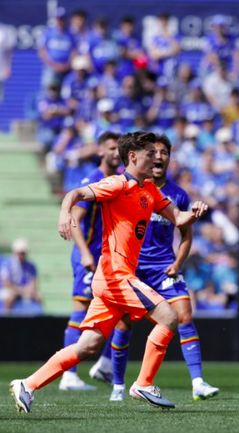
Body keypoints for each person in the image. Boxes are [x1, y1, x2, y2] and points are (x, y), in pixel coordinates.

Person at [10, 131, 209, 413]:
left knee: (88, 346)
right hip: (116, 276)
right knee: (168, 317)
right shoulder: (118, 184)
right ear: (133, 157)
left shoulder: (150, 190)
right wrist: (64, 213)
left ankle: (27, 384)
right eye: (150, 153)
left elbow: (179, 218)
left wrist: (195, 211)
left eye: (158, 153)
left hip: (111, 280)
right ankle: (143, 383)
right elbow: (76, 193)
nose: (156, 158)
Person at [108, 134, 219, 402]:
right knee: (123, 323)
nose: (159, 157)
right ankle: (118, 387)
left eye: (164, 152)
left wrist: (177, 263)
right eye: (154, 152)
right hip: (132, 269)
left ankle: (198, 383)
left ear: (169, 157)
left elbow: (186, 235)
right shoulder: (129, 187)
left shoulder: (178, 194)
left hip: (163, 269)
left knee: (185, 315)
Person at [58, 131, 121, 391]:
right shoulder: (93, 180)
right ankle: (69, 374)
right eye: (111, 148)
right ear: (100, 151)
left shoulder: (117, 181)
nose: (116, 152)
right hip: (88, 257)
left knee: (120, 310)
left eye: (119, 148)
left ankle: (104, 365)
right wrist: (84, 253)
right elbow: (75, 219)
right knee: (81, 308)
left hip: (106, 258)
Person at [0, 239, 41, 313]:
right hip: (10, 290)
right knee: (9, 298)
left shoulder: (31, 265)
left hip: (24, 290)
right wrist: (20, 291)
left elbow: (33, 283)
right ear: (14, 252)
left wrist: (26, 291)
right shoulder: (7, 264)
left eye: (23, 253)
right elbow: (7, 284)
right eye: (19, 253)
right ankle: (6, 318)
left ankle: (38, 318)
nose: (21, 255)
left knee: (39, 297)